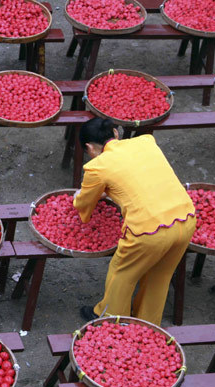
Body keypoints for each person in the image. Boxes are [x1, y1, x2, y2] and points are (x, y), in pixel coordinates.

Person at [74, 118, 197, 326]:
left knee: (121, 273)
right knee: (160, 276)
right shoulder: (146, 141)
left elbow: (83, 202)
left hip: (148, 231)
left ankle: (110, 320)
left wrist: (79, 198)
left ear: (89, 148)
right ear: (115, 133)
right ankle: (147, 326)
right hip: (186, 219)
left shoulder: (97, 166)